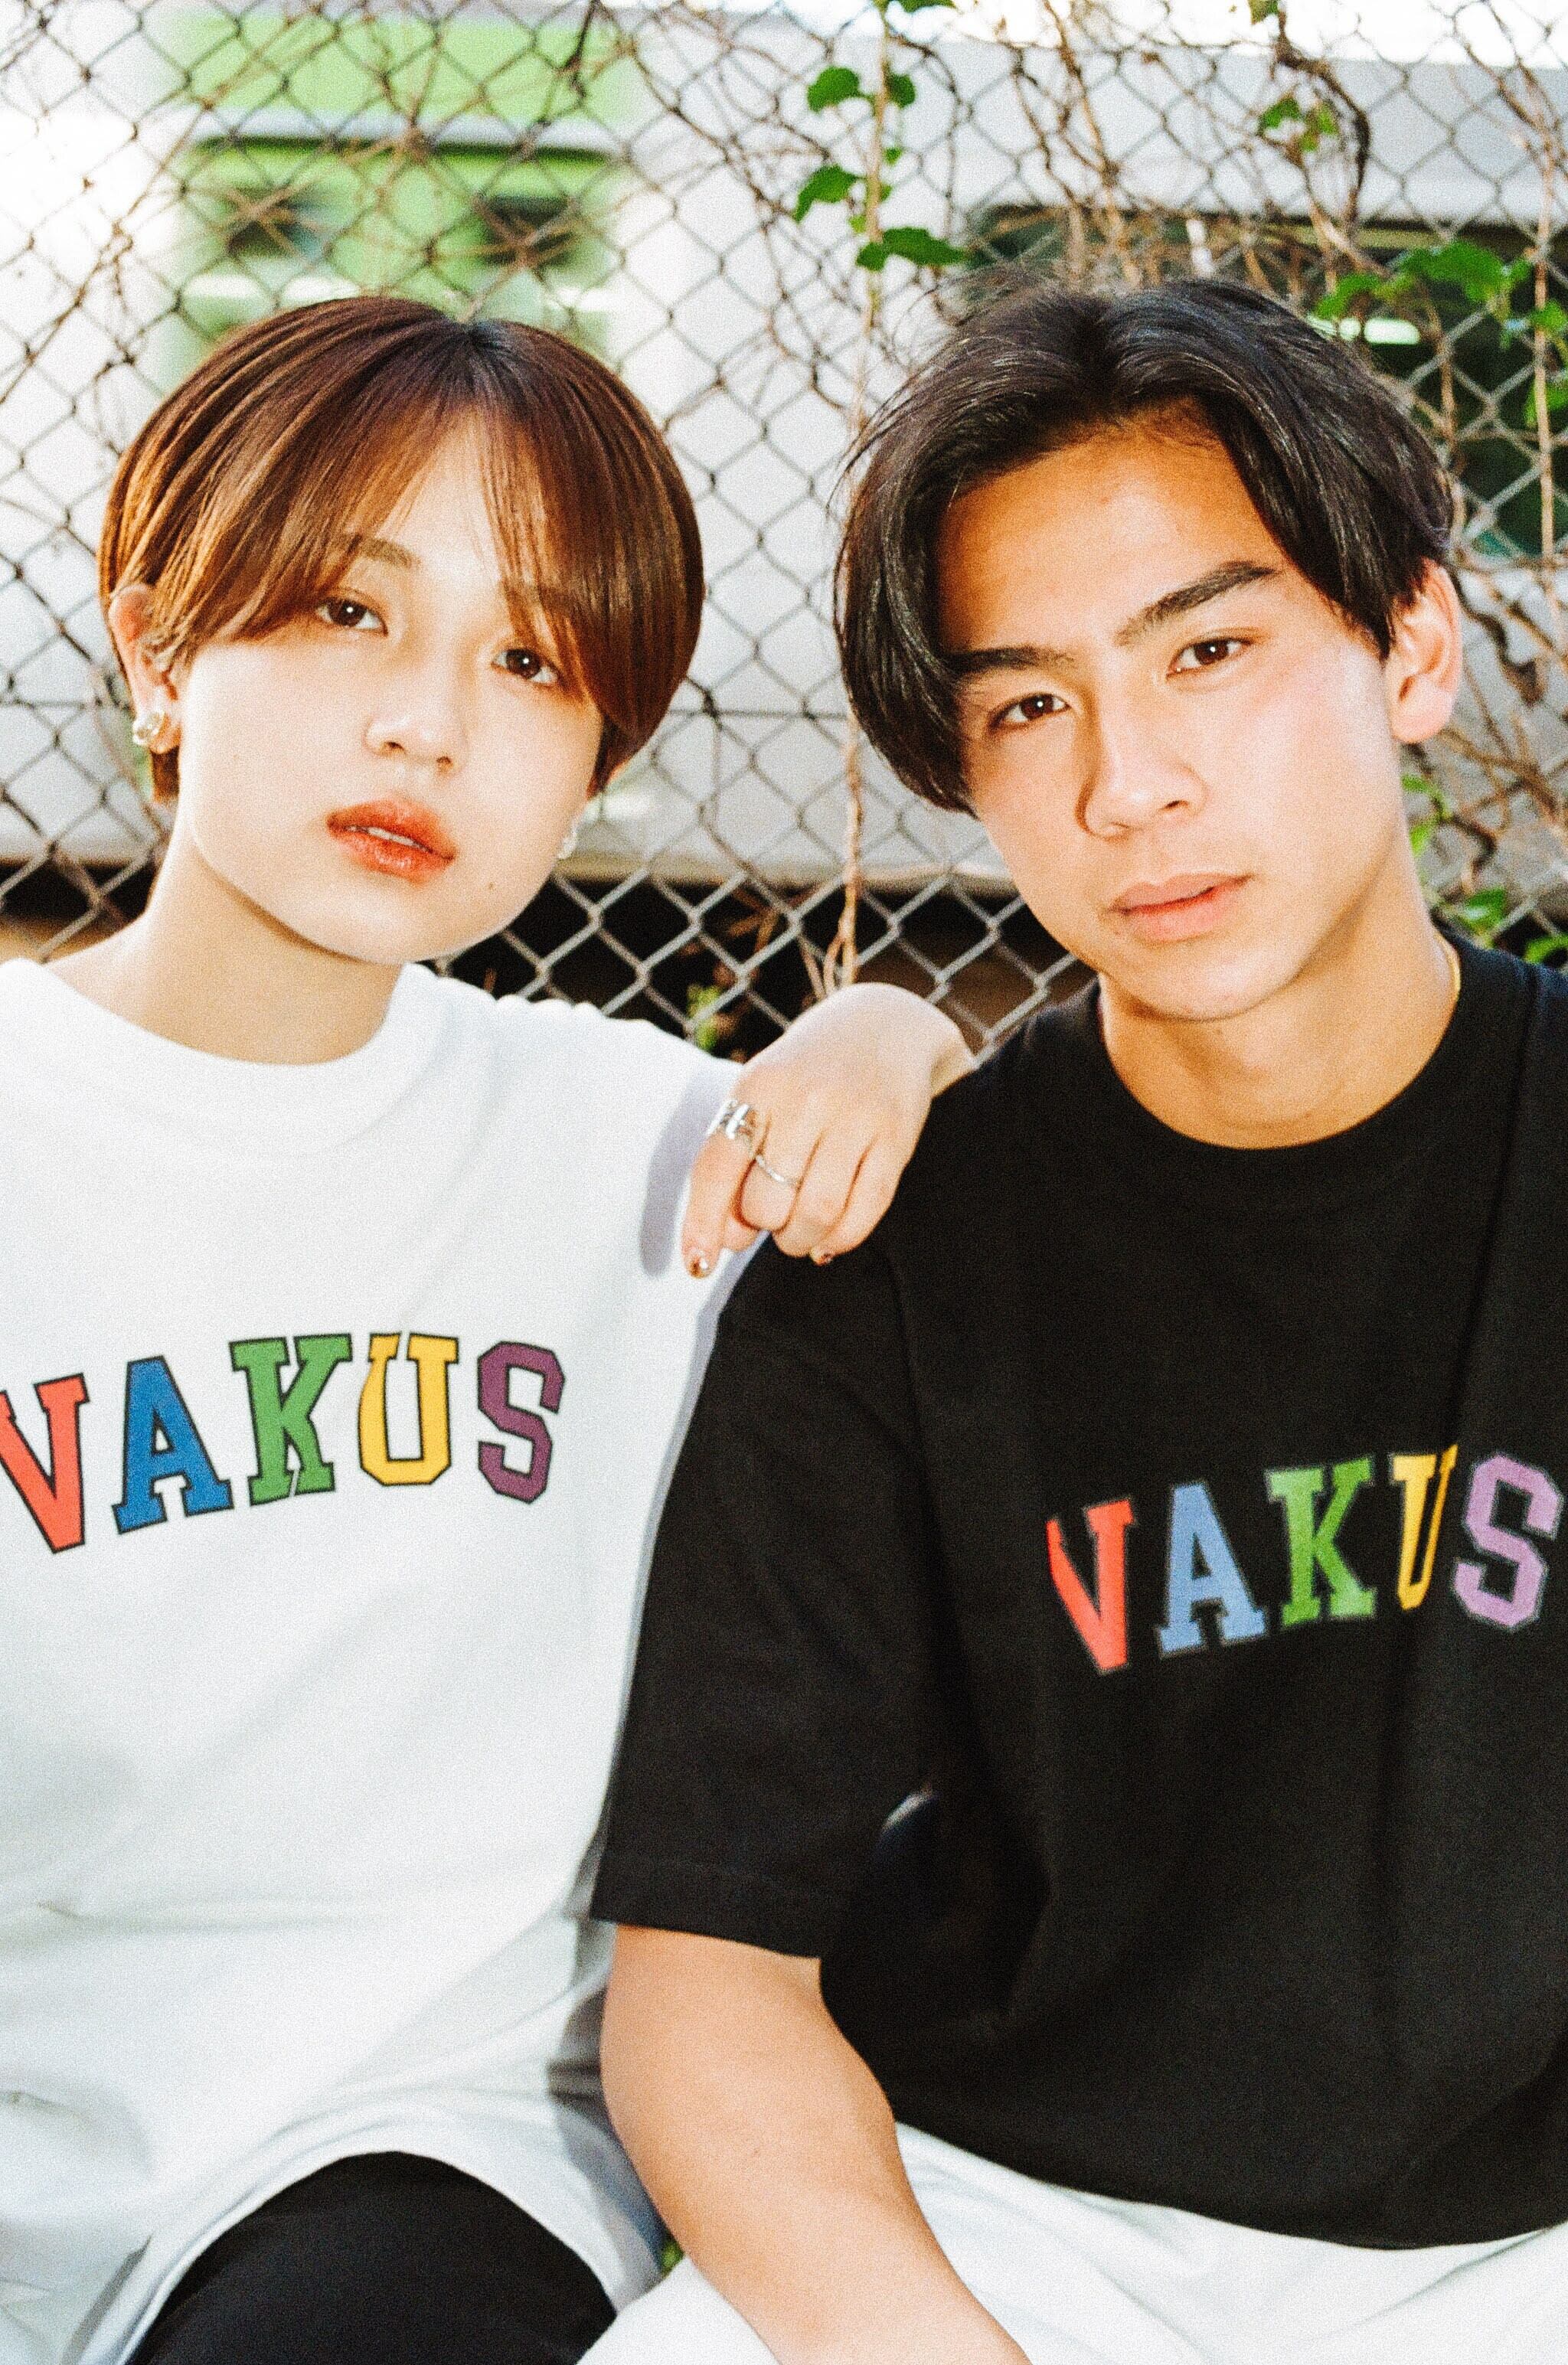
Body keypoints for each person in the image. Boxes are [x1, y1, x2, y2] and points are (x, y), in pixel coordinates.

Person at [588, 277, 1568, 2365]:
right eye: (1031, 706)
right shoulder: (897, 1245)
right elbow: (706, 1984)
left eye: (1209, 652)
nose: (1131, 785)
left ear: (1412, 644)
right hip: (1012, 2223)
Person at [0, 293, 971, 2365]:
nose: (428, 725)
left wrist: (900, 1032)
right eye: (349, 612)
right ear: (160, 646)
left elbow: (1042, 1233)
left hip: (424, 2146)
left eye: (531, 661)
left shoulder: (641, 1151)